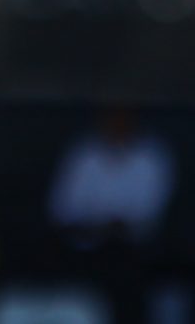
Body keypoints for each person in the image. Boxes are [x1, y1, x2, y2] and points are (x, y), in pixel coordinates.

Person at [48, 105, 175, 249]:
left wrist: (120, 226)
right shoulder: (84, 153)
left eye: (123, 118)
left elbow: (150, 214)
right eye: (112, 118)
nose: (117, 124)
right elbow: (63, 209)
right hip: (82, 245)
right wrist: (95, 225)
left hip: (137, 248)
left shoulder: (151, 156)